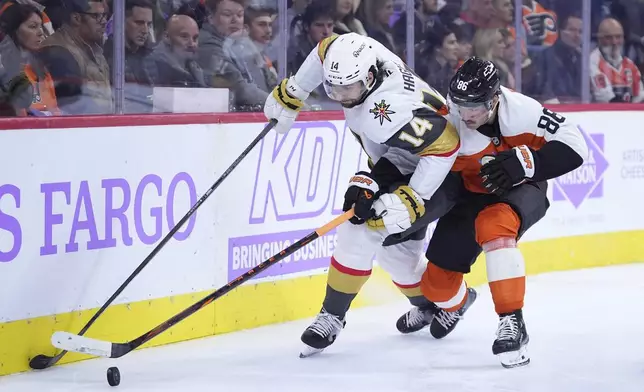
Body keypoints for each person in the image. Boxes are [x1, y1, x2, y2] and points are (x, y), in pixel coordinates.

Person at [263, 32, 462, 357]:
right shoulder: (362, 55)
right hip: (405, 157)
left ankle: (332, 315)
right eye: (332, 87)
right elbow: (326, 47)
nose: (339, 94)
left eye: (348, 88)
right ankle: (427, 307)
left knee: (363, 229)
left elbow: (446, 144)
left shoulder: (385, 109)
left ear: (369, 79)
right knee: (394, 256)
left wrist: (413, 196)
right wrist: (294, 91)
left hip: (446, 171)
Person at [419, 57, 589, 368]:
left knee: (494, 225)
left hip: (523, 188)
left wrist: (529, 164)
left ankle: (513, 322)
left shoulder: (524, 112)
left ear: (495, 98)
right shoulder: (448, 118)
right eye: (460, 103)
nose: (466, 114)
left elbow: (576, 146)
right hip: (469, 195)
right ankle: (457, 303)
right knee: (435, 285)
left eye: (476, 105)